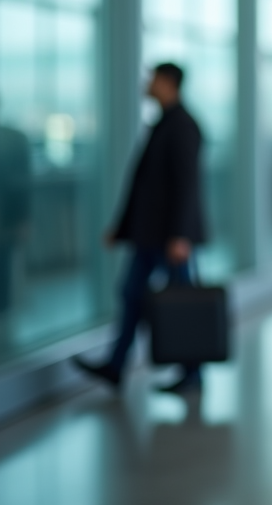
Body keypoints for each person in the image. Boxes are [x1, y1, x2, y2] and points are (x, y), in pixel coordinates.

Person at [74, 63, 206, 393]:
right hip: (151, 234)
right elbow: (145, 186)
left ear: (167, 82)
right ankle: (116, 365)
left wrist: (180, 234)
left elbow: (186, 185)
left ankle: (192, 372)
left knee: (182, 301)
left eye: (153, 79)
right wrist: (121, 229)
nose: (146, 84)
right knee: (132, 295)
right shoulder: (164, 123)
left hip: (169, 236)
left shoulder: (182, 126)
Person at [0, 94, 31, 337]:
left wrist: (22, 217)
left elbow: (19, 184)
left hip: (3, 222)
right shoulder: (13, 138)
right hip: (5, 221)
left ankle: (2, 326)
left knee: (2, 274)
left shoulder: (12, 139)